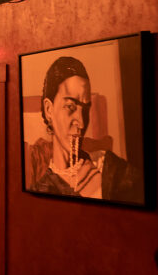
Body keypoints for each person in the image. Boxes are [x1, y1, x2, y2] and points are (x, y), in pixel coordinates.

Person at [30, 55, 143, 202]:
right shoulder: (41, 189)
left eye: (85, 109)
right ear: (49, 109)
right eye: (70, 107)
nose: (82, 123)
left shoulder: (110, 167)